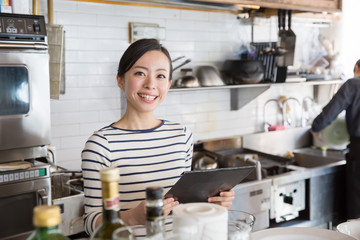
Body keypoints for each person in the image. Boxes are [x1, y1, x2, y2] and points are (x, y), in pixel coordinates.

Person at [81, 38, 235, 235]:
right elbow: (90, 222)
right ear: (120, 80)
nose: (150, 84)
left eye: (160, 76)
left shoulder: (182, 136)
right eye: (140, 73)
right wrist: (132, 217)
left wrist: (216, 204)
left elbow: (184, 206)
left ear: (169, 84)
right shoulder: (101, 145)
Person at [311, 59, 360, 219]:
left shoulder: (353, 84)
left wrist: (316, 128)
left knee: (357, 208)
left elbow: (331, 111)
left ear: (357, 69)